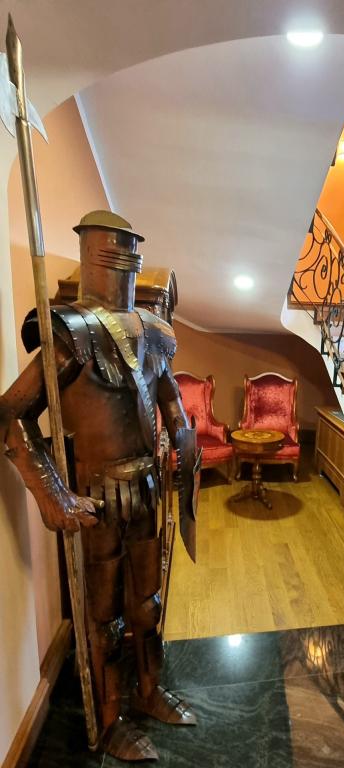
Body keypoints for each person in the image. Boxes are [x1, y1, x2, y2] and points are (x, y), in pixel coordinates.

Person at [0, 210, 200, 762]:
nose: (124, 258)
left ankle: (149, 691)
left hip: (147, 488)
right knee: (103, 619)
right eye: (117, 248)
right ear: (95, 250)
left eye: (130, 249)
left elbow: (170, 400)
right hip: (98, 494)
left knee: (147, 604)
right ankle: (109, 720)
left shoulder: (153, 331)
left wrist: (183, 440)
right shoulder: (71, 332)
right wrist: (53, 493)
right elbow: (13, 415)